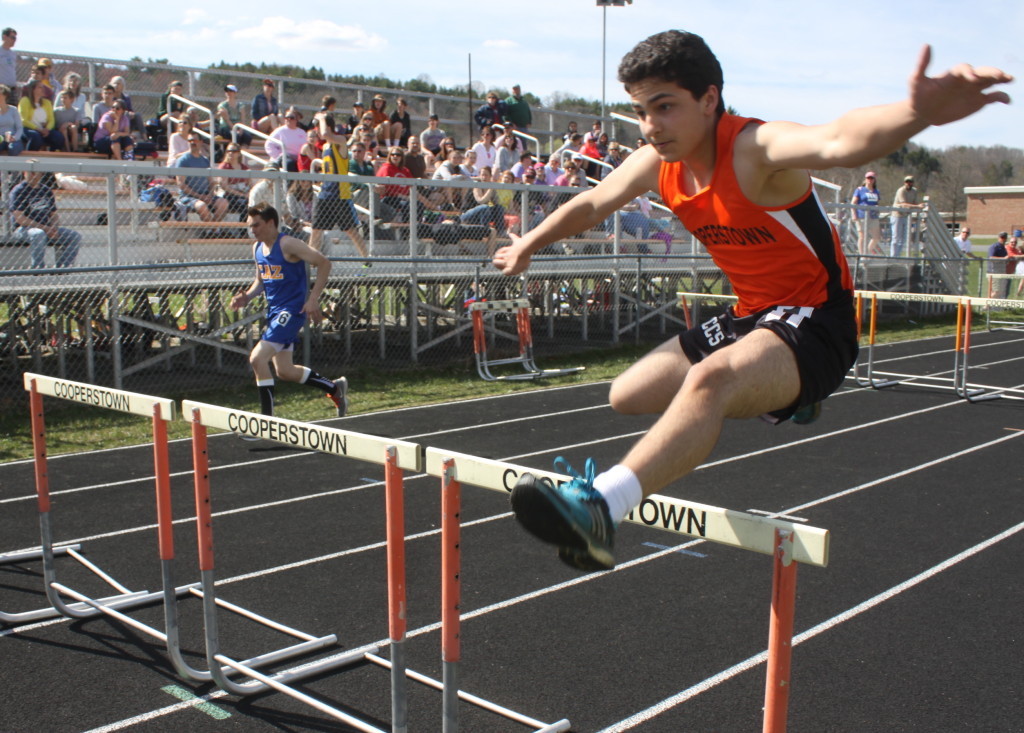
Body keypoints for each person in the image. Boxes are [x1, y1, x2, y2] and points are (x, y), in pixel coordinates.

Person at [491, 30, 1012, 571]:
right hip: (753, 314)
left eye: (665, 107)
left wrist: (914, 113)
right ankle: (783, 399)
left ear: (709, 99)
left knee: (709, 381)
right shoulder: (656, 163)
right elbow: (594, 201)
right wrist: (529, 244)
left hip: (816, 319)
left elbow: (839, 141)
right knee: (627, 394)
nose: (651, 127)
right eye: (641, 111)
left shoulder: (755, 150)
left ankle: (603, 506)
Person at [229, 203, 348, 421]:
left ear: (271, 223)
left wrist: (312, 299)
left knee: (257, 359)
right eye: (250, 226)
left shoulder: (288, 244)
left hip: (292, 311)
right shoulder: (257, 249)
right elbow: (260, 281)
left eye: (256, 225)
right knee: (285, 371)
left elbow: (324, 264)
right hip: (274, 312)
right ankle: (334, 388)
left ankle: (267, 421)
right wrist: (247, 295)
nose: (252, 230)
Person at [309, 110, 368, 258]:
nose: (317, 131)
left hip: (339, 194)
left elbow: (326, 135)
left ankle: (366, 259)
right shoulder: (325, 147)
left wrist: (323, 118)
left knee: (350, 230)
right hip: (325, 193)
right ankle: (308, 262)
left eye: (319, 126)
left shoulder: (340, 141)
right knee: (316, 229)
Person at [10, 167, 81, 269]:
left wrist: (54, 227)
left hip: (46, 228)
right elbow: (20, 218)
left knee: (74, 236)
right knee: (38, 234)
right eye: (31, 172)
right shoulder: (19, 190)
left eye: (36, 172)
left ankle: (63, 269)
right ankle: (38, 270)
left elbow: (54, 214)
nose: (34, 175)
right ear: (25, 173)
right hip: (23, 229)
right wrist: (45, 228)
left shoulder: (45, 190)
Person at [174, 134, 228, 223]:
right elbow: (181, 184)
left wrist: (210, 194)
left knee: (223, 203)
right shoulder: (182, 160)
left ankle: (212, 230)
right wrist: (200, 197)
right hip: (188, 197)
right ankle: (213, 231)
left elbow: (211, 182)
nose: (192, 143)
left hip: (206, 195)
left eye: (194, 140)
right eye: (190, 141)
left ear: (200, 142)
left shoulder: (205, 160)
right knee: (201, 206)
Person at [18, 80, 63, 151]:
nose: (43, 89)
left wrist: (47, 129)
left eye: (43, 87)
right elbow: (23, 120)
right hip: (28, 129)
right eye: (40, 87)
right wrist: (39, 129)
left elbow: (51, 120)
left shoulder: (47, 103)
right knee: (35, 137)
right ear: (33, 89)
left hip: (44, 130)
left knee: (58, 137)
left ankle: (52, 156)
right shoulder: (25, 101)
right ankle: (30, 158)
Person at [890, 175, 924, 257]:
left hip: (906, 216)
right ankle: (893, 256)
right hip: (897, 215)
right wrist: (917, 206)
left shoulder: (914, 191)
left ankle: (897, 256)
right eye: (907, 182)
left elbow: (915, 203)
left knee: (903, 239)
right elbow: (903, 204)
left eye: (910, 182)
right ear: (904, 182)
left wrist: (921, 206)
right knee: (896, 237)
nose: (908, 183)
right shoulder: (901, 190)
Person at [851, 171, 882, 255]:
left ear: (874, 180)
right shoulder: (860, 190)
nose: (870, 180)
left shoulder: (876, 191)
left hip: (873, 216)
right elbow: (853, 202)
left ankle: (867, 251)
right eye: (868, 178)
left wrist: (877, 209)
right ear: (865, 179)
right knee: (862, 236)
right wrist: (854, 214)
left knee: (876, 237)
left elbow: (877, 203)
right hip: (862, 215)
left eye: (872, 178)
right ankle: (862, 255)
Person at [216, 142, 250, 216]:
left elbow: (251, 184)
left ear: (239, 153)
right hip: (229, 195)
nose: (231, 153)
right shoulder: (224, 166)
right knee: (244, 205)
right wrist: (242, 195)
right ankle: (242, 227)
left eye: (234, 151)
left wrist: (248, 193)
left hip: (243, 193)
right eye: (228, 151)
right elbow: (224, 186)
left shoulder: (244, 167)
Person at [0, 84, 24, 155]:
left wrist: (14, 138)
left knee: (13, 149)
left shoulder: (13, 110)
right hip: (0, 139)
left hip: (12, 138)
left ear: (5, 95)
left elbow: (19, 128)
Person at [987, 231, 1010, 298]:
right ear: (999, 238)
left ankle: (990, 306)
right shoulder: (994, 246)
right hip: (993, 271)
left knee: (997, 291)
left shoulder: (1004, 248)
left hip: (1001, 271)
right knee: (997, 291)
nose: (1003, 239)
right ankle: (985, 305)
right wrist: (1003, 259)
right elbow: (991, 257)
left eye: (1005, 237)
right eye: (1002, 237)